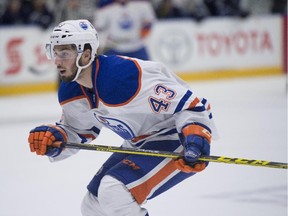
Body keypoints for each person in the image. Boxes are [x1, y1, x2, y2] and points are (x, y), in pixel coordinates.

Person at [28, 19, 218, 216]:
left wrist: (196, 140)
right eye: (55, 52)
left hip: (175, 137)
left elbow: (192, 105)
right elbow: (78, 131)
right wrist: (58, 139)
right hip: (138, 142)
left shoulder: (123, 77)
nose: (57, 61)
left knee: (114, 191)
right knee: (93, 205)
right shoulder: (70, 90)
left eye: (64, 53)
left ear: (85, 56)